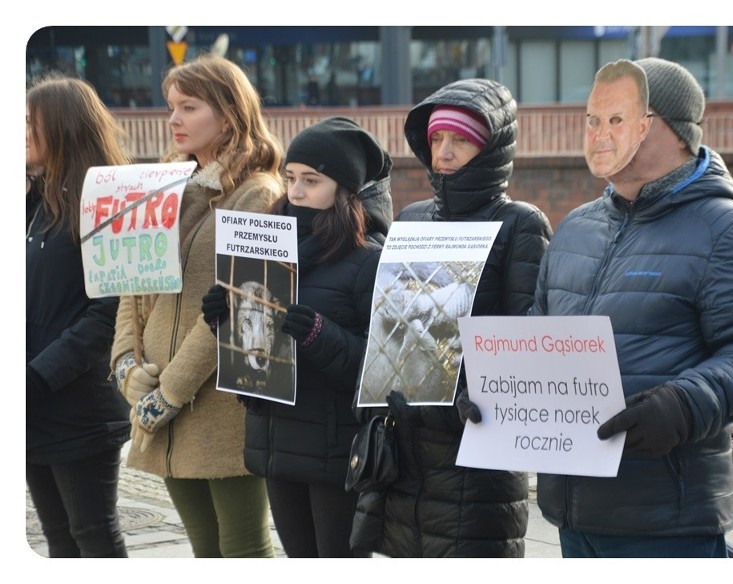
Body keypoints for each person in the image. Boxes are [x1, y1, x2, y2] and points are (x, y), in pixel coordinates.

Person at [530, 58, 733, 557]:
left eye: (618, 119)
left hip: (665, 523)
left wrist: (684, 404)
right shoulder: (574, 229)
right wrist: (495, 396)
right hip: (570, 515)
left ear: (673, 131)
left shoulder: (729, 231)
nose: (599, 134)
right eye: (593, 120)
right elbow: (538, 335)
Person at [352, 78, 553, 558]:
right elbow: (390, 321)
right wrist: (375, 383)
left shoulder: (521, 225)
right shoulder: (413, 219)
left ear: (490, 148)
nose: (443, 151)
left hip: (473, 463)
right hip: (403, 459)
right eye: (437, 138)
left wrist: (466, 393)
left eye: (459, 139)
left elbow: (527, 342)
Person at [110, 54, 284, 558]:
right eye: (171, 106)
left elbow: (243, 304)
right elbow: (131, 282)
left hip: (223, 407)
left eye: (189, 106)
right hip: (158, 404)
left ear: (228, 115)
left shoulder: (260, 195)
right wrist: (126, 367)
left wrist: (170, 390)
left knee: (245, 551)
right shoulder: (160, 188)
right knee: (204, 553)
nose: (173, 120)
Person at [202, 117, 393, 557]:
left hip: (334, 451)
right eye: (290, 177)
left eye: (312, 180)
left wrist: (319, 335)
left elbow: (380, 368)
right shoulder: (258, 247)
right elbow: (254, 352)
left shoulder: (367, 260)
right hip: (274, 439)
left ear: (344, 189)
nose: (296, 191)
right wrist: (224, 323)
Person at [26, 74, 132, 557]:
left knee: (92, 535)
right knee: (57, 540)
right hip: (30, 404)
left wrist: (38, 376)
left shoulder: (109, 205)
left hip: (78, 405)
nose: (20, 131)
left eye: (30, 123)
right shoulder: (33, 202)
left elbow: (108, 313)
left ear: (64, 128)